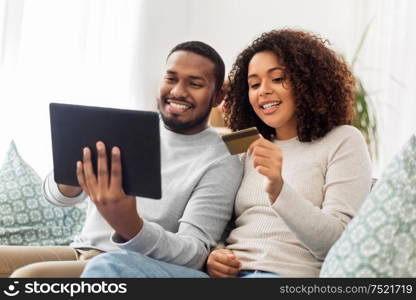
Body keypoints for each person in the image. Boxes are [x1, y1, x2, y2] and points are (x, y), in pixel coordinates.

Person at [81, 28, 372, 278]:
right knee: (111, 267)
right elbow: (212, 224)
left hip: (284, 276)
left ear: (308, 83)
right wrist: (213, 256)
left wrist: (279, 189)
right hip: (223, 278)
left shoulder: (343, 141)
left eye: (277, 79)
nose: (263, 91)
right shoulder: (243, 145)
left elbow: (338, 242)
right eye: (254, 84)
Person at [0, 41, 243, 278]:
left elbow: (195, 253)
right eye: (171, 78)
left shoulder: (221, 159)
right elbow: (54, 195)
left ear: (217, 97)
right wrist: (72, 179)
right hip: (80, 249)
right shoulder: (126, 126)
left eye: (195, 84)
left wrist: (130, 224)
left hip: (129, 263)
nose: (178, 91)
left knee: (30, 276)